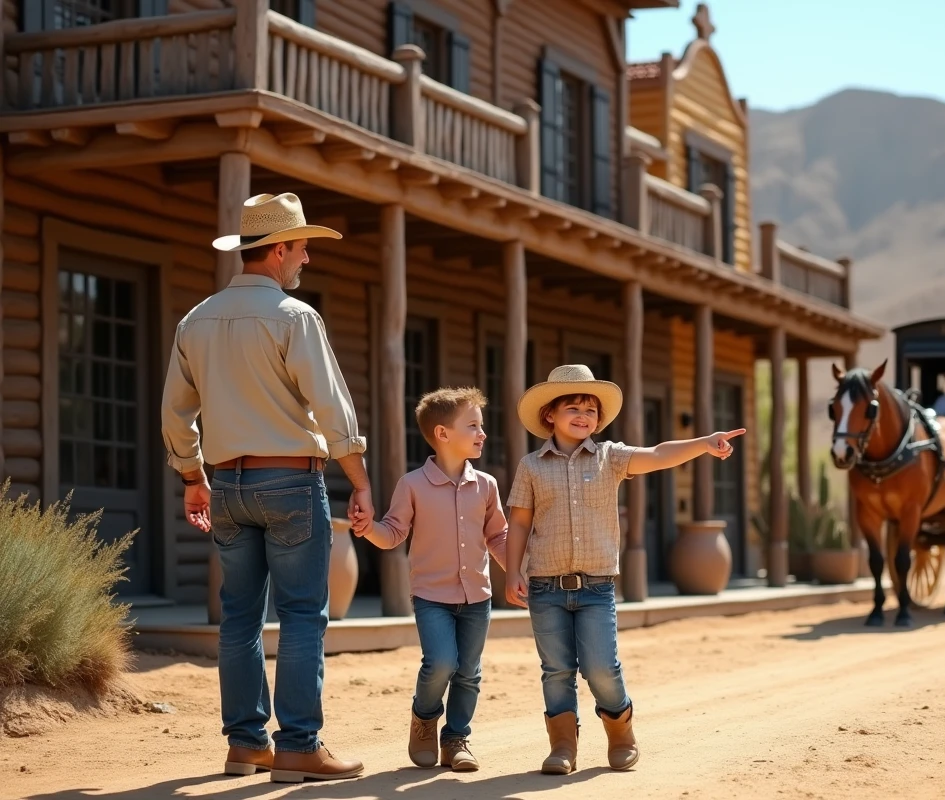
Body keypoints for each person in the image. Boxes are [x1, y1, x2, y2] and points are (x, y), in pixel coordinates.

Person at [161, 193, 371, 784]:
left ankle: (246, 745)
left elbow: (176, 417)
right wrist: (359, 482)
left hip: (226, 484)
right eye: (302, 248)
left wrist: (191, 477)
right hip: (291, 483)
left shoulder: (194, 320)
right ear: (278, 250)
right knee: (304, 615)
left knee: (239, 618)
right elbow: (334, 411)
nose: (306, 258)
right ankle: (300, 746)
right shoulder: (295, 317)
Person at [503, 364, 745, 774]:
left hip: (597, 587)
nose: (584, 416)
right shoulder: (531, 466)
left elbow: (658, 453)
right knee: (557, 670)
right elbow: (521, 522)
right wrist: (512, 572)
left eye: (591, 410)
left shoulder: (610, 458)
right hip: (546, 586)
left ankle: (620, 732)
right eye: (573, 408)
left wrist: (704, 442)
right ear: (550, 415)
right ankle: (563, 747)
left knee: (601, 667)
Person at [352, 387, 508, 772]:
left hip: (477, 596)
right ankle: (424, 718)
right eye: (473, 425)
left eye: (481, 425)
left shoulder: (486, 485)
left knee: (468, 672)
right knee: (440, 663)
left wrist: (518, 572)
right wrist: (367, 527)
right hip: (431, 596)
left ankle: (456, 739)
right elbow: (392, 533)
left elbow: (498, 536)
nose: (482, 433)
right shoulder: (412, 485)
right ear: (443, 434)